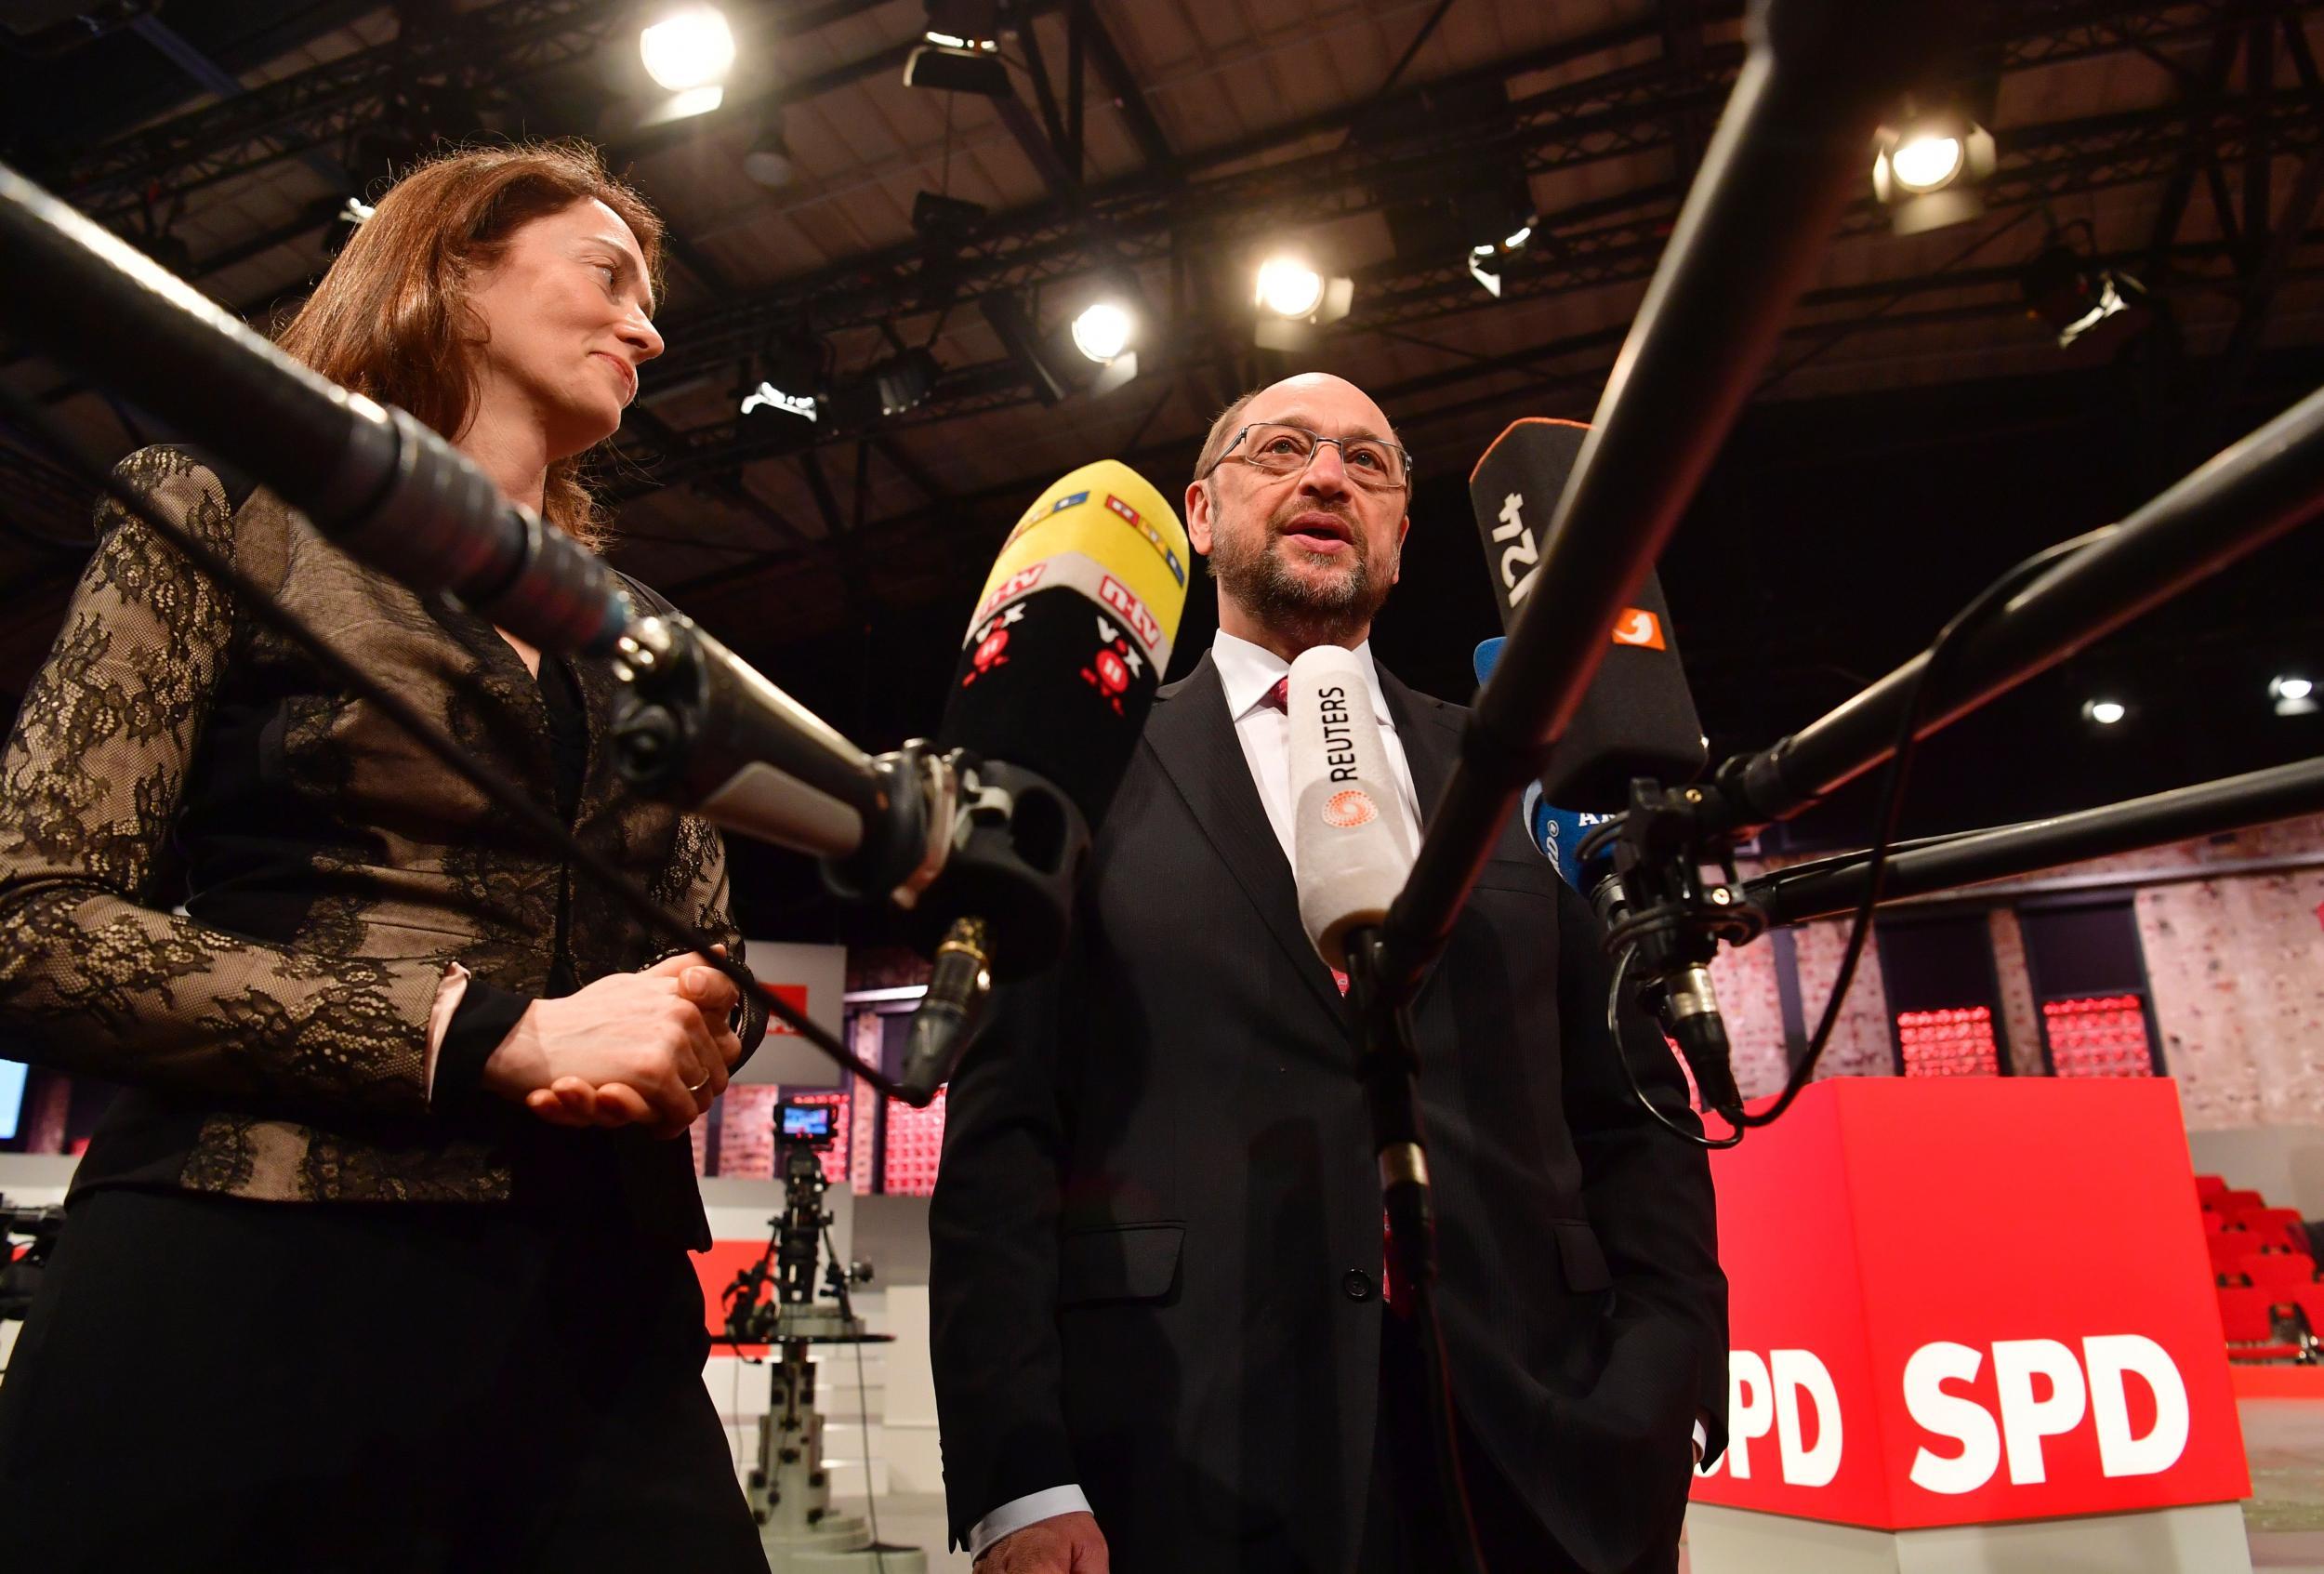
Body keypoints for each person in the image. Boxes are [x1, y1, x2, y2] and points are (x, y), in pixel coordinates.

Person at [0, 143, 773, 1572]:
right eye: (608, 275)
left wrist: (690, 1016)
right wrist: (490, 1034)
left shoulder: (648, 637)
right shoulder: (220, 505)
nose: (651, 329)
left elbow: (695, 948)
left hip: (598, 1322)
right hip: (252, 1274)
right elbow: (32, 923)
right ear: (452, 273)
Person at [929, 373, 1728, 1574]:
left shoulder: (1521, 765)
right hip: (1186, 1455)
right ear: (1200, 514)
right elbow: (1005, 1135)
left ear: (1403, 532)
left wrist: (1658, 1391)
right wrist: (1018, 1475)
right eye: (1284, 448)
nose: (1327, 477)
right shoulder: (1084, 766)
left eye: (1370, 462)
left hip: (1539, 1465)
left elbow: (1634, 1113)